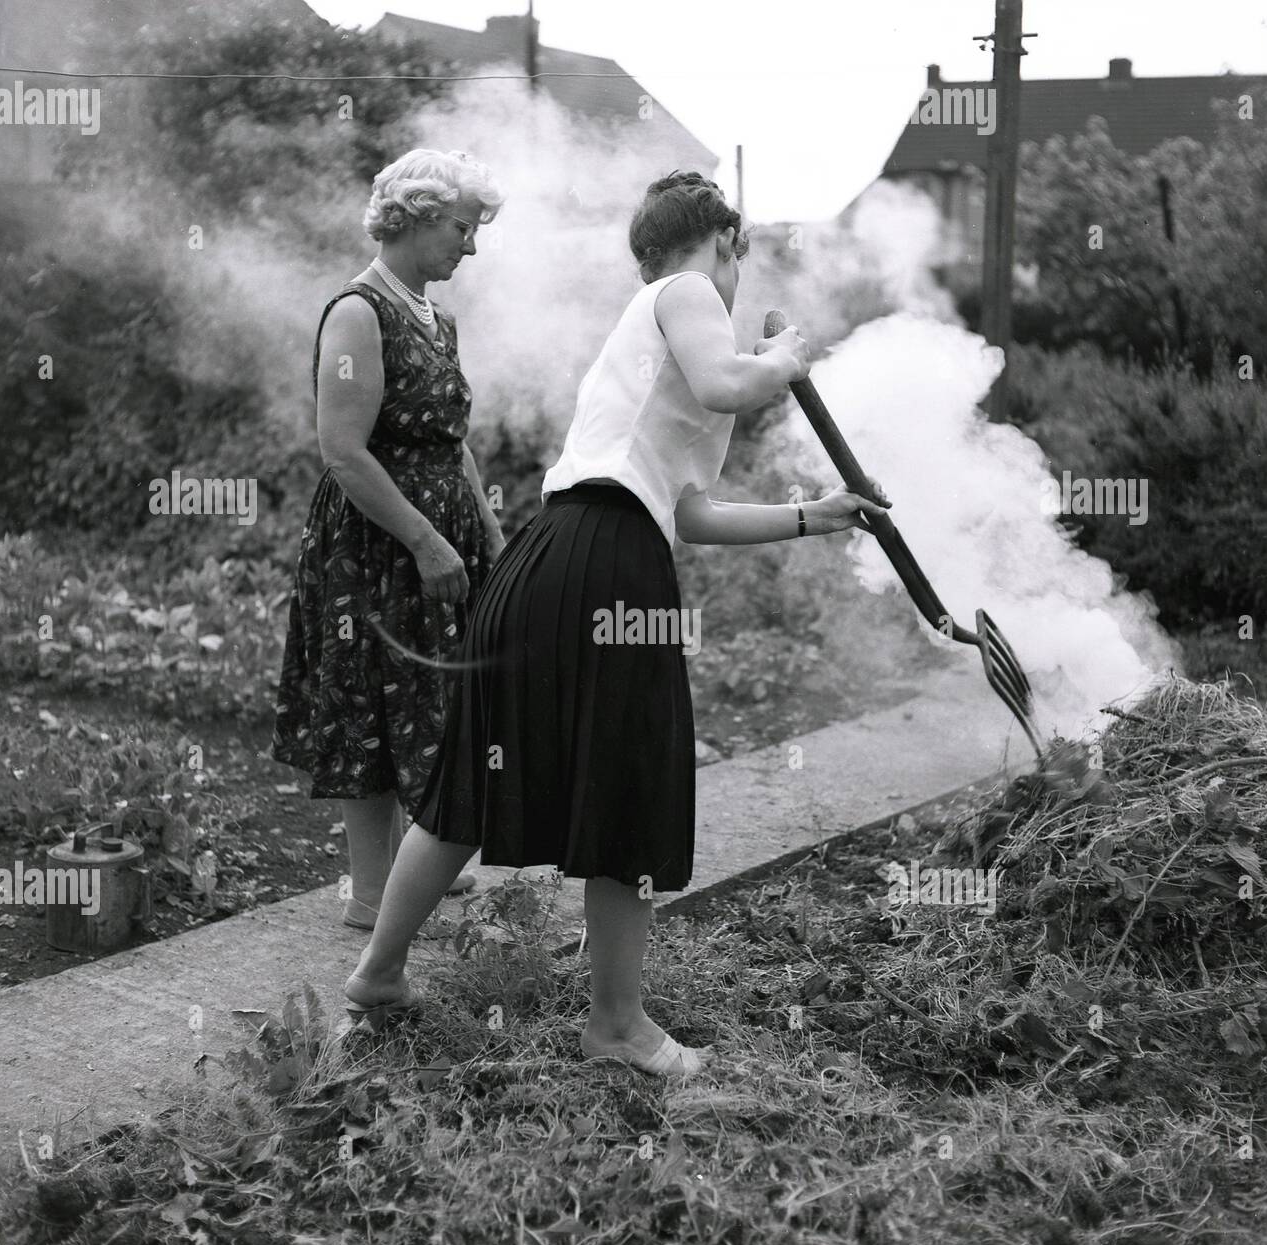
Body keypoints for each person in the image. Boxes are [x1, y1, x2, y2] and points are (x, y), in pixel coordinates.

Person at [341, 170, 890, 1075]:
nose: (735, 287)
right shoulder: (683, 292)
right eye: (736, 264)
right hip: (605, 566)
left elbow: (693, 512)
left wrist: (814, 514)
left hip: (553, 555)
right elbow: (725, 385)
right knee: (630, 783)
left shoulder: (653, 336)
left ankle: (377, 977)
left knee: (479, 775)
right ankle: (617, 1027)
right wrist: (788, 357)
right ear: (723, 244)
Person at [271, 149, 507, 930]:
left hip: (437, 533)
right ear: (414, 215)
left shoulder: (434, 313)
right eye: (462, 228)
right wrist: (424, 541)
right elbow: (343, 451)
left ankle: (414, 868)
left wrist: (487, 531)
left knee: (434, 699)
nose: (470, 246)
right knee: (373, 704)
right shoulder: (359, 312)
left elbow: (453, 441)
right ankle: (372, 894)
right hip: (377, 543)